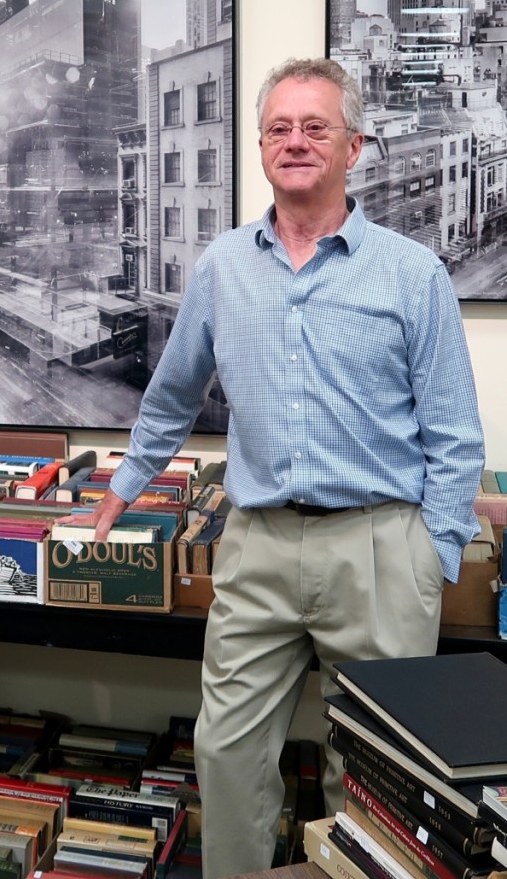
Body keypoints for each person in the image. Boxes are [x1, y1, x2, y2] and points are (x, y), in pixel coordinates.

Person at [78, 58, 484, 878]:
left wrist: (429, 558)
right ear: (260, 145)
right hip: (257, 544)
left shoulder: (412, 275)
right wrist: (124, 487)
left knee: (373, 780)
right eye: (278, 128)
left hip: (377, 550)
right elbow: (170, 397)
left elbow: (453, 436)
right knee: (225, 755)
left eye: (315, 127)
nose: (294, 142)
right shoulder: (222, 267)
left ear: (353, 147)